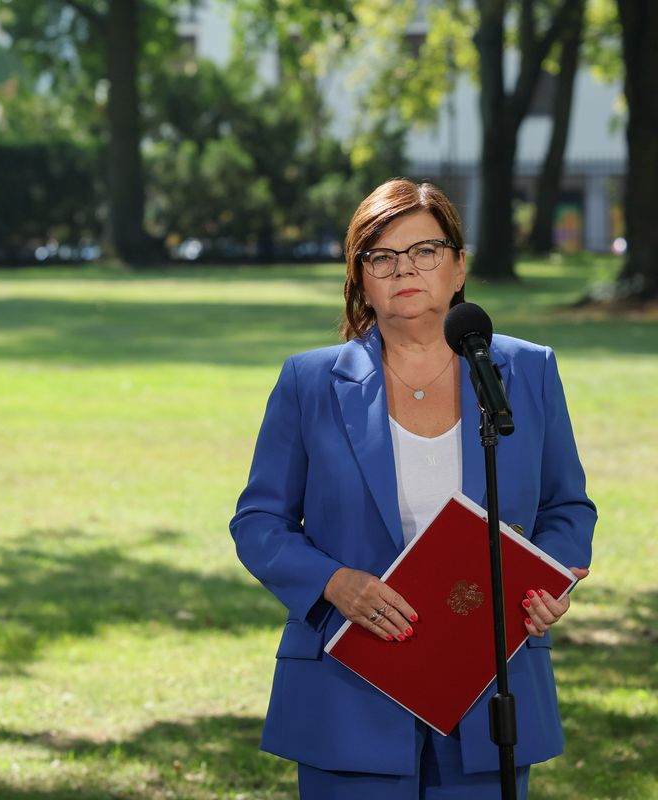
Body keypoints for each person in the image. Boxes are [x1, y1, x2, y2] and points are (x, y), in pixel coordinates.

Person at [229, 178, 595, 799]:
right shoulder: (309, 381)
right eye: (383, 256)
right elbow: (259, 522)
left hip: (489, 691)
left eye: (425, 250)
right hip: (348, 690)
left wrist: (544, 581)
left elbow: (567, 506)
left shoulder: (527, 372)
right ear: (360, 278)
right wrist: (332, 583)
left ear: (457, 266)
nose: (406, 269)